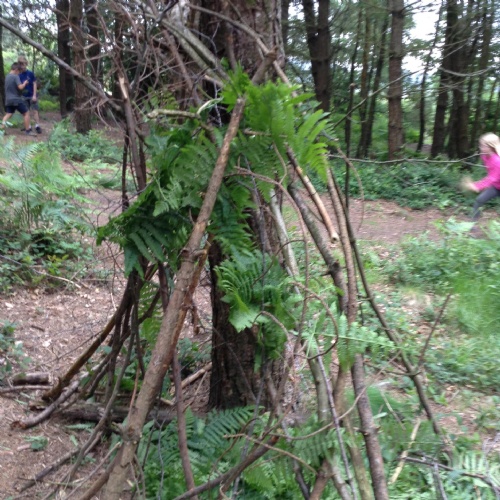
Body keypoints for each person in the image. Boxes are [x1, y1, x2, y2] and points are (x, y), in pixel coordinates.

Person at [462, 133, 500, 220]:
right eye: (480, 145)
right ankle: (472, 224)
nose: (480, 148)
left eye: (483, 146)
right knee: (479, 200)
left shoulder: (497, 161)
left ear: (490, 147)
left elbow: (492, 178)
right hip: (496, 186)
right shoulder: (484, 156)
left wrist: (477, 186)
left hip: (495, 183)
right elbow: (491, 175)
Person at [1, 62, 33, 135]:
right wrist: (24, 83)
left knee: (8, 114)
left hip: (8, 99)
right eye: (19, 71)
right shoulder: (15, 76)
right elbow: (20, 87)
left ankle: (1, 130)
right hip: (15, 99)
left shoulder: (7, 77)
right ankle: (28, 131)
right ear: (16, 70)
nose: (19, 73)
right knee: (26, 113)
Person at [17, 55, 42, 134]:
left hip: (31, 95)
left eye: (23, 64)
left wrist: (34, 95)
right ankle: (28, 126)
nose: (22, 66)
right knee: (26, 112)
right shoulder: (18, 75)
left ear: (26, 64)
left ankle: (37, 126)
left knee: (35, 111)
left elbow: (34, 84)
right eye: (20, 64)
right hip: (23, 96)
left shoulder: (30, 73)